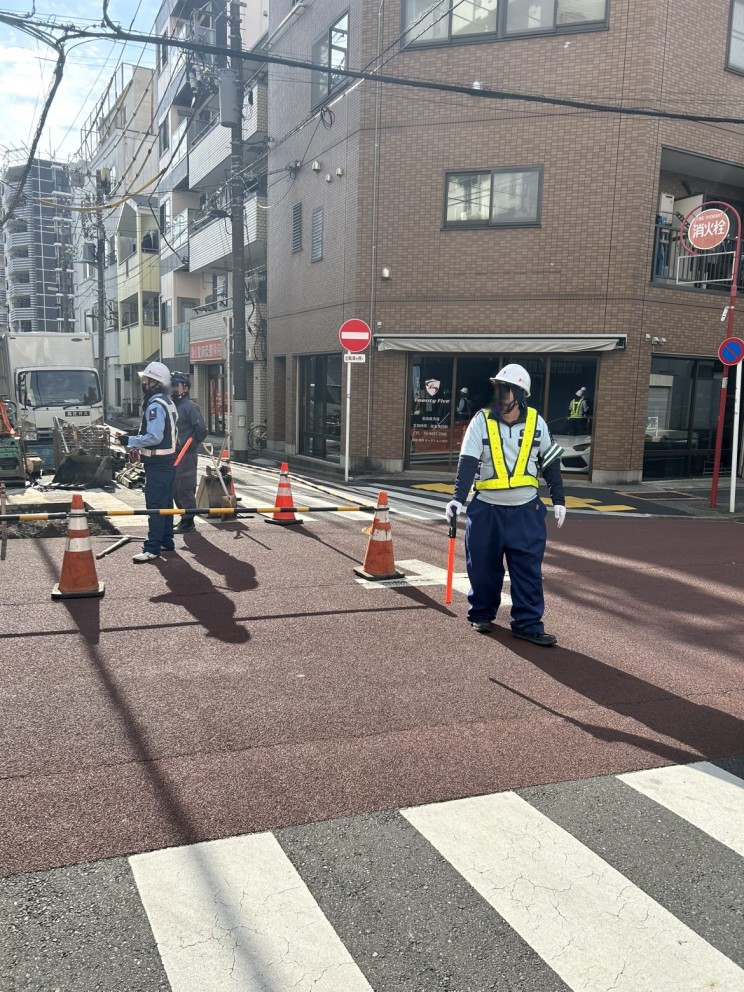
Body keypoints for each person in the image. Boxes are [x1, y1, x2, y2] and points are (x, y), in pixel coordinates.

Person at [445, 363, 566, 646]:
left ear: (520, 394)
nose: (500, 394)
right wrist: (457, 498)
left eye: (507, 389)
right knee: (483, 568)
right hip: (486, 511)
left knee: (528, 572)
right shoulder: (481, 419)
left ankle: (528, 624)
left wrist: (559, 499)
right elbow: (468, 462)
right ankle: (481, 614)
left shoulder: (537, 422)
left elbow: (550, 464)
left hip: (526, 511)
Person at [118, 362, 178, 563]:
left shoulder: (155, 405)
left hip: (157, 463)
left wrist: (130, 440)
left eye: (147, 380)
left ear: (156, 383)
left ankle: (152, 548)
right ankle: (166, 541)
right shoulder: (167, 402)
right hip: (168, 462)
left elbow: (154, 436)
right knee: (166, 503)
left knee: (155, 505)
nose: (144, 383)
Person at [170, 371, 208, 534]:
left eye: (175, 385)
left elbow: (201, 430)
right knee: (175, 488)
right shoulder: (171, 406)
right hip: (173, 454)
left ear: (185, 388)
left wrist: (189, 445)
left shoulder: (189, 407)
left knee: (185, 486)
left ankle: (188, 522)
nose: (172, 389)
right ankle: (183, 518)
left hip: (186, 454)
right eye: (171, 385)